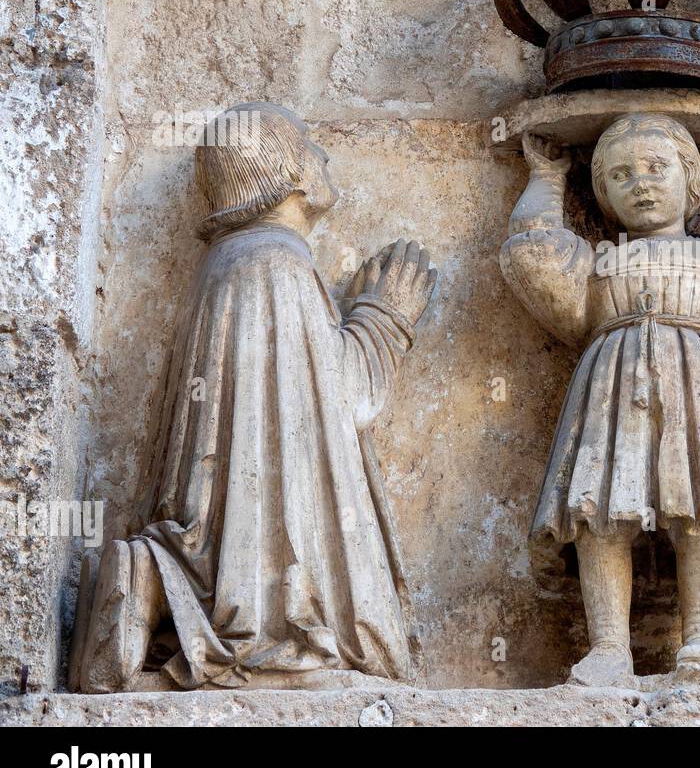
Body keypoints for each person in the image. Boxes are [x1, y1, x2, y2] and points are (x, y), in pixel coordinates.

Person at [70, 103, 437, 691]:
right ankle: (276, 641)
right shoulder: (279, 264)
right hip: (267, 534)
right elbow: (341, 398)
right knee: (293, 636)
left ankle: (165, 581)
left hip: (222, 499)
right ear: (291, 171)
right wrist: (384, 315)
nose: (321, 157)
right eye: (309, 146)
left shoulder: (228, 264)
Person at [500, 112, 700, 685]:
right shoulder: (597, 260)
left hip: (696, 379)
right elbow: (534, 252)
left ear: (691, 182)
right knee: (601, 507)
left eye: (658, 169)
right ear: (603, 193)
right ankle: (609, 648)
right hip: (612, 383)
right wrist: (548, 179)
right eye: (621, 175)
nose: (643, 183)